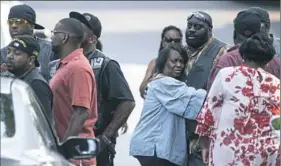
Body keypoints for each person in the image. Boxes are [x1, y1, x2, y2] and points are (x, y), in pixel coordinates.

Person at [196, 33, 280, 166]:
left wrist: (205, 145)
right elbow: (277, 124)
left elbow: (209, 112)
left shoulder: (226, 75)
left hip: (227, 150)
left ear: (242, 55)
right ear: (267, 60)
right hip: (261, 153)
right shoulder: (275, 83)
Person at [69, 12, 135, 166]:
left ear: (92, 38)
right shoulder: (65, 60)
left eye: (81, 27)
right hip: (69, 140)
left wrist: (105, 138)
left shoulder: (107, 65)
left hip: (95, 145)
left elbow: (128, 102)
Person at [130, 43, 206, 166]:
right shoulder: (164, 83)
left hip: (152, 149)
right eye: (174, 61)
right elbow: (196, 100)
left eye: (182, 61)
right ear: (163, 63)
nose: (179, 65)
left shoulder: (162, 83)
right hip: (154, 148)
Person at [49, 18, 97, 166]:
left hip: (75, 157)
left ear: (64, 37)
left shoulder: (78, 68)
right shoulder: (65, 64)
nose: (51, 36)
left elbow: (81, 112)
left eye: (54, 32)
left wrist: (65, 149)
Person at [207, 9, 280, 91]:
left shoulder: (227, 60)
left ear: (234, 35)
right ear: (260, 34)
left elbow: (212, 95)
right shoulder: (275, 61)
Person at [1, 4, 56, 81]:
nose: (13, 26)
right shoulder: (3, 53)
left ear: (31, 26)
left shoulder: (50, 50)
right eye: (10, 22)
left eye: (19, 22)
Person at [5, 35, 53, 123]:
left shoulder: (36, 85)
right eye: (8, 52)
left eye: (17, 53)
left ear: (30, 59)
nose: (9, 56)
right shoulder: (14, 79)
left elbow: (43, 124)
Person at [139, 25, 183, 99]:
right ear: (163, 42)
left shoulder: (184, 63)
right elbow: (142, 90)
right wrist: (155, 82)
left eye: (177, 41)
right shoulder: (155, 63)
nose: (172, 43)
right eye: (169, 40)